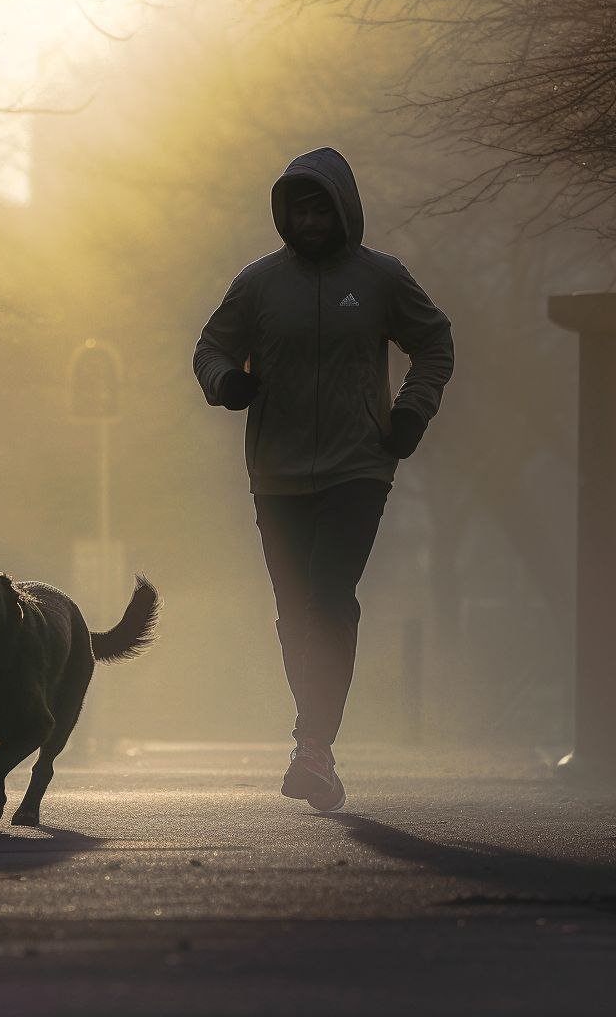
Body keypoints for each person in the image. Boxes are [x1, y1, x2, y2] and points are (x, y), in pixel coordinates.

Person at [192, 146, 454, 811]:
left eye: (319, 208)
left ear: (343, 208)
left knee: (329, 595)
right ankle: (317, 751)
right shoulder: (257, 284)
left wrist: (412, 413)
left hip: (357, 467)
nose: (308, 220)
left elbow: (435, 341)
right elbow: (211, 347)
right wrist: (226, 382)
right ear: (284, 215)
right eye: (297, 209)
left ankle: (312, 746)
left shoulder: (380, 278)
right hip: (276, 474)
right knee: (294, 611)